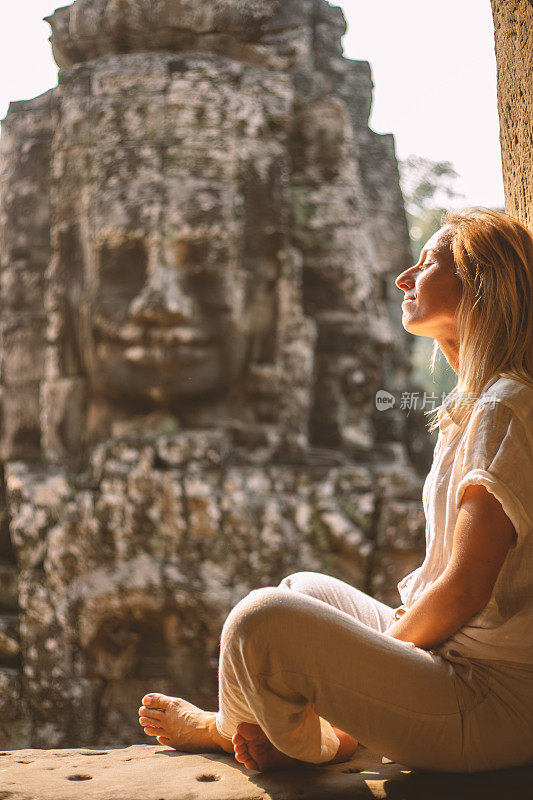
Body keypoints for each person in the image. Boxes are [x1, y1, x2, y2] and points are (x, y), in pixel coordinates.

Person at [137, 208, 533, 773]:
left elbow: (466, 589)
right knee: (304, 588)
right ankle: (331, 736)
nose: (404, 278)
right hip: (458, 668)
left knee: (261, 620)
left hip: (490, 705)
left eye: (426, 264)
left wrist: (370, 665)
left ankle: (240, 732)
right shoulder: (480, 404)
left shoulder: (506, 408)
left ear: (480, 285)